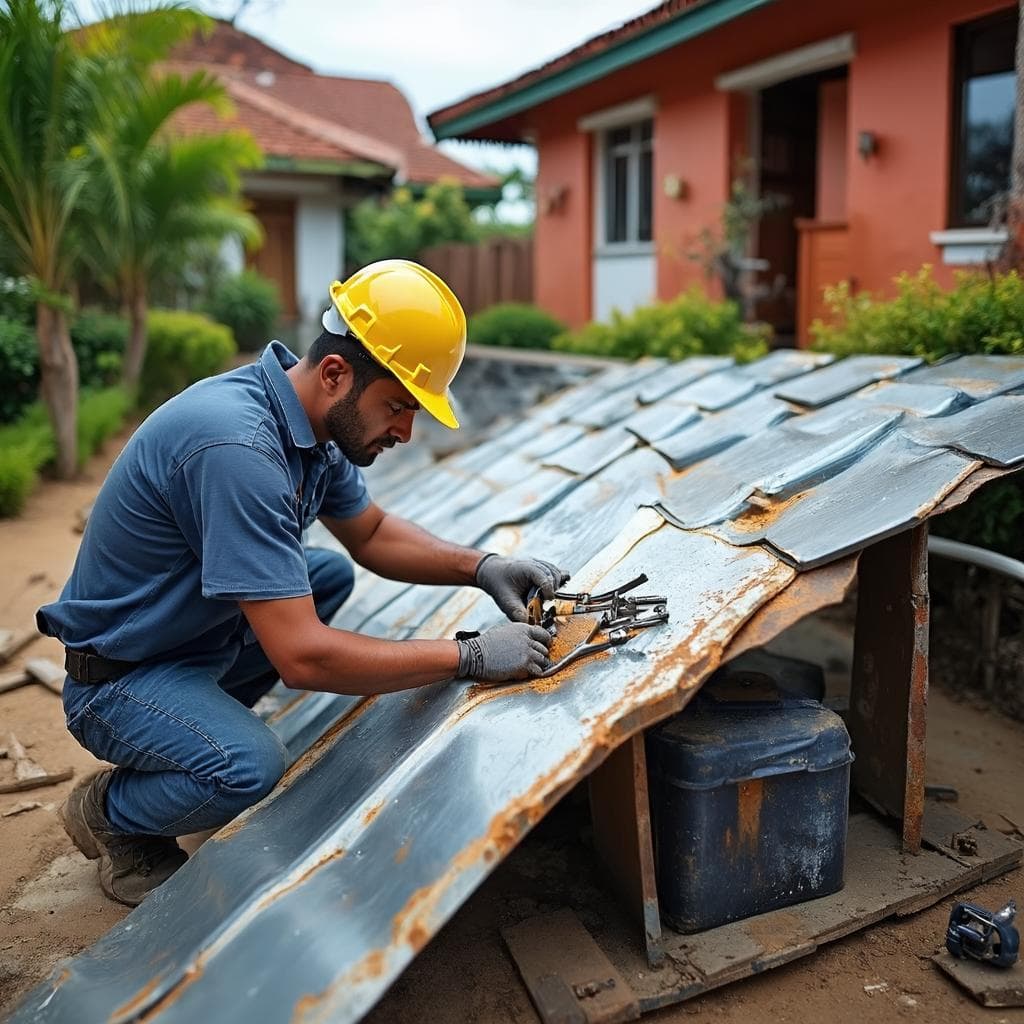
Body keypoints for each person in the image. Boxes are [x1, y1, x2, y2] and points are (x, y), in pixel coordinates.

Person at [36, 259, 567, 907]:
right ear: (336, 373)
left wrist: (482, 567)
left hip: (187, 640)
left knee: (328, 574)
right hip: (120, 678)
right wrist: (470, 655)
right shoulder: (238, 449)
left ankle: (197, 723)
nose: (406, 431)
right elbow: (303, 657)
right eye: (398, 406)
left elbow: (371, 533)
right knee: (246, 766)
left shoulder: (312, 423)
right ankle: (112, 812)